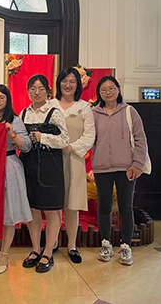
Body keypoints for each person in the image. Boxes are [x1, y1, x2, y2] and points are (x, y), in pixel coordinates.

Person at [92, 76, 148, 266]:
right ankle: (106, 244)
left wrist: (137, 164)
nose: (107, 92)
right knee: (104, 207)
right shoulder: (93, 113)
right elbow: (89, 138)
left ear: (118, 89)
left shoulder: (130, 112)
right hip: (101, 168)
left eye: (111, 88)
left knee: (126, 207)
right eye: (103, 89)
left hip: (126, 168)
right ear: (99, 93)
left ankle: (125, 246)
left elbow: (140, 139)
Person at [19, 74, 69, 273]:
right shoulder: (24, 113)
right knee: (32, 209)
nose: (36, 92)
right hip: (28, 165)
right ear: (28, 92)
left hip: (50, 166)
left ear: (48, 91)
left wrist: (42, 137)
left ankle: (48, 251)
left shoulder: (55, 112)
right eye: (33, 89)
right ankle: (35, 249)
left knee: (51, 209)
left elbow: (64, 140)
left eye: (40, 89)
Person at [0, 85, 32, 274]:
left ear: (7, 100)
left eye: (1, 97)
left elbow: (26, 145)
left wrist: (12, 134)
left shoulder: (15, 120)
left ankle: (5, 253)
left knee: (9, 212)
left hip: (9, 165)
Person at [49, 68, 95, 264]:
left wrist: (71, 147)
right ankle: (52, 243)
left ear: (78, 85)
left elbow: (90, 135)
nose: (67, 85)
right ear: (58, 83)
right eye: (64, 81)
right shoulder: (49, 105)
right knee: (53, 204)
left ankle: (72, 245)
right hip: (52, 160)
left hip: (74, 160)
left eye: (72, 81)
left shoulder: (84, 107)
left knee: (72, 205)